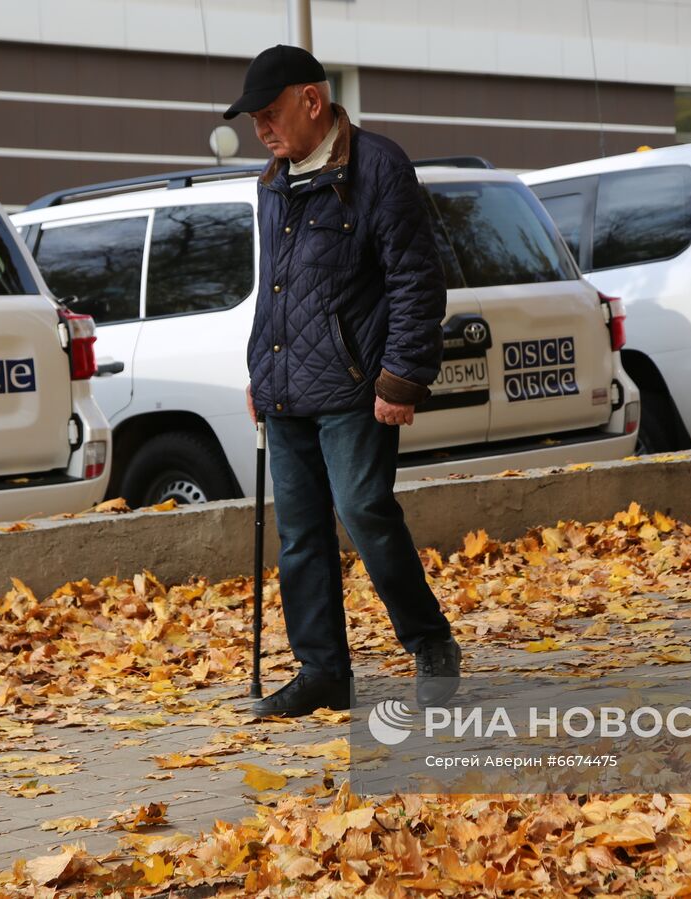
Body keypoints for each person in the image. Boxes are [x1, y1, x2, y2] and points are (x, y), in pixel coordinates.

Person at [225, 44, 462, 717]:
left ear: (312, 100)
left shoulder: (378, 166)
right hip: (287, 387)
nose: (262, 129)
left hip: (356, 387)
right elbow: (275, 289)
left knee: (363, 511)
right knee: (300, 533)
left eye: (270, 113)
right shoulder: (273, 179)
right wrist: (258, 370)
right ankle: (323, 670)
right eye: (254, 120)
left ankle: (431, 641)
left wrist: (401, 378)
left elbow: (416, 279)